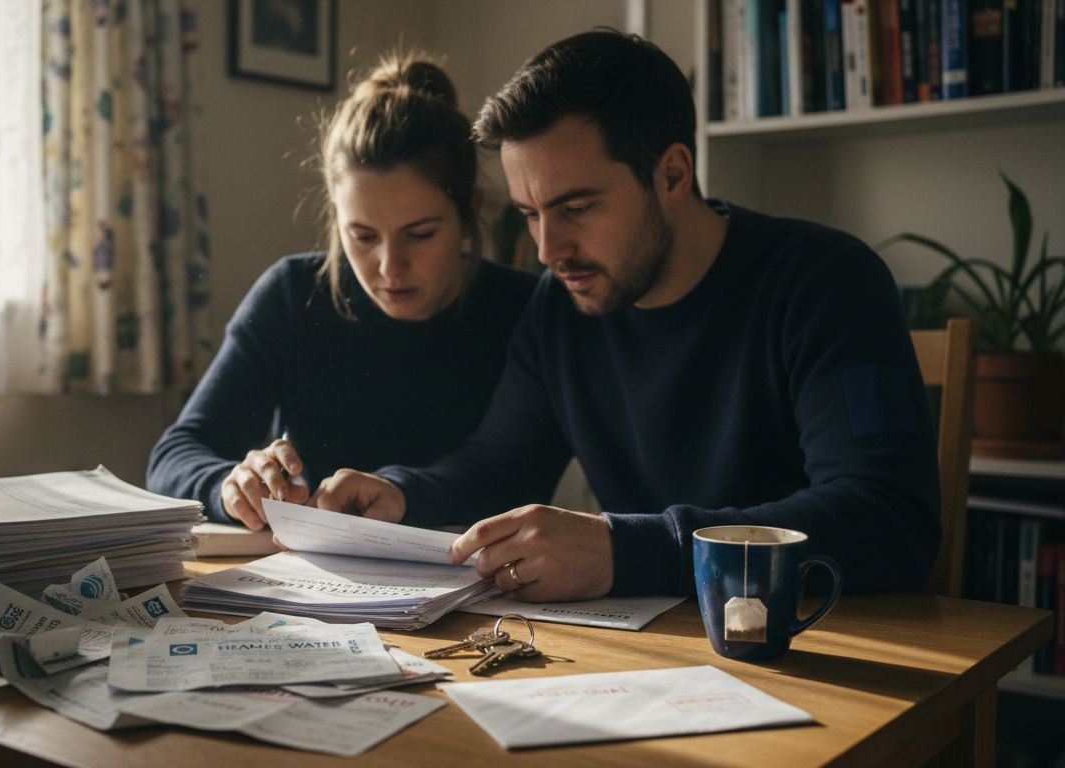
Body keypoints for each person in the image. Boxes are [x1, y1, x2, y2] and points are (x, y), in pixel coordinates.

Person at [311, 30, 940, 602]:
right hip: (652, 654)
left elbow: (886, 517)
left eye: (576, 207)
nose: (547, 250)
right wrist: (401, 495)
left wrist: (624, 549)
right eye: (531, 214)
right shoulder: (561, 306)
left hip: (825, 647)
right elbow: (499, 465)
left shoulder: (826, 282)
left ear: (671, 173)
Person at [146, 53, 537, 530]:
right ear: (336, 216)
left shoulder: (523, 309)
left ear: (470, 211)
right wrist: (230, 484)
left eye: (420, 233)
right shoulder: (293, 294)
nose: (390, 267)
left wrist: (401, 493)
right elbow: (173, 454)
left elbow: (508, 472)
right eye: (363, 236)